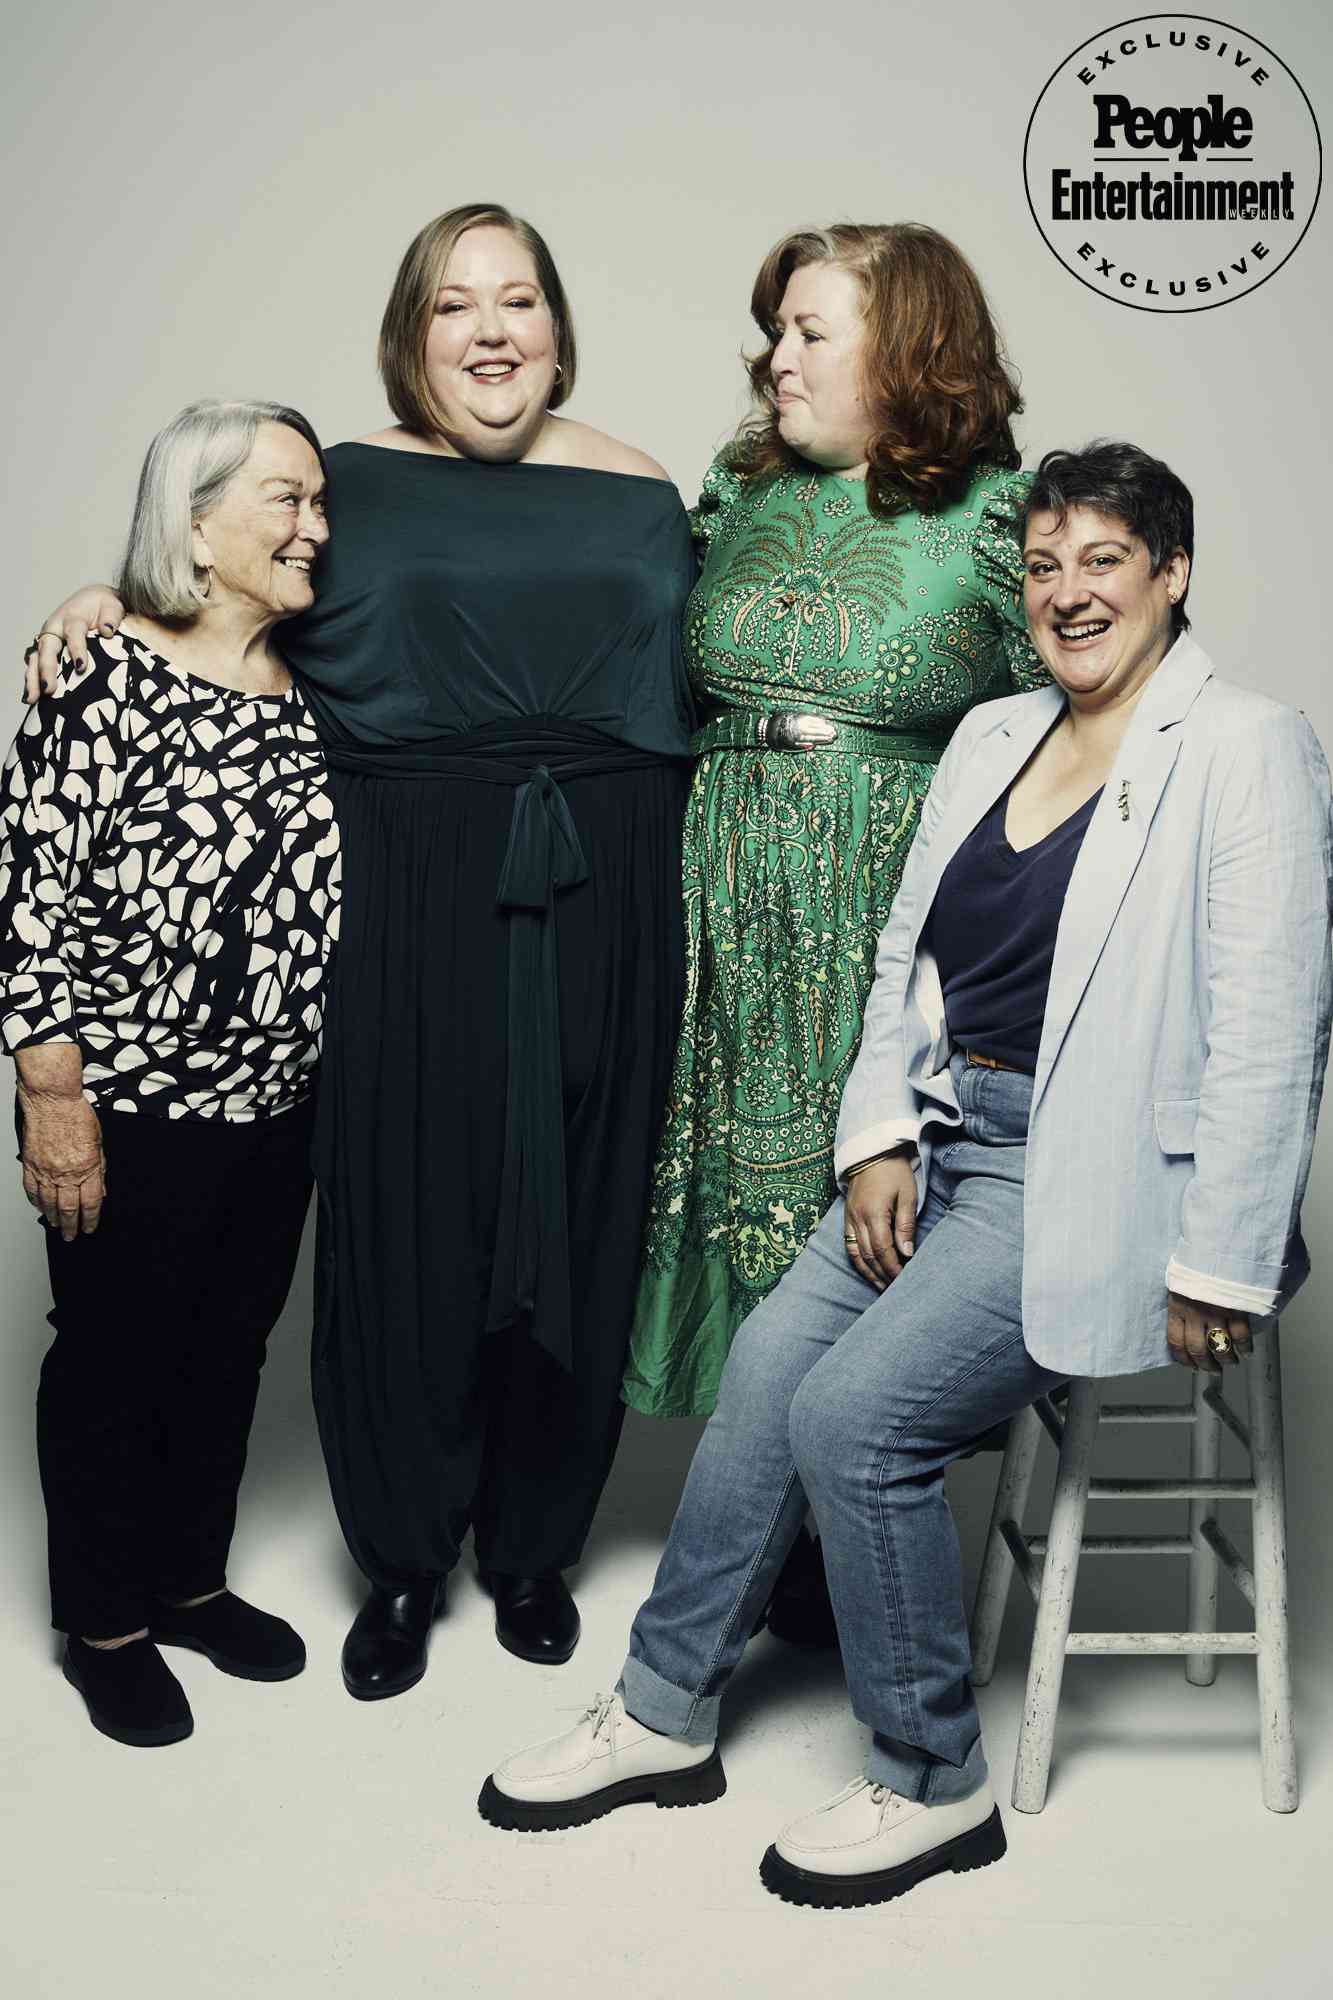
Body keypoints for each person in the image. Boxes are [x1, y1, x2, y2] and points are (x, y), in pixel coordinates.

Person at [480, 441, 1332, 1908]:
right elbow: (907, 965)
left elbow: (1274, 1019)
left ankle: (932, 1776)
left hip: (1094, 1176)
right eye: (1044, 563)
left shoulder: (1242, 744)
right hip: (942, 1144)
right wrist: (876, 1134)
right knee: (761, 1375)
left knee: (854, 1420)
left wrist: (1222, 1258)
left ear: (1171, 577)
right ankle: (663, 1709)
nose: (1066, 594)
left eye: (1102, 564)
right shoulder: (997, 733)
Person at [27, 204, 695, 1697]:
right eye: (454, 304)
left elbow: (714, 674)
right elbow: (220, 586)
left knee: (576, 1217)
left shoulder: (649, 490)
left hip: (608, 889)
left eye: (517, 297)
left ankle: (532, 1546)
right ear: (411, 337)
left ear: (556, 324)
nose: (490, 328)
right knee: (407, 1224)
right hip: (409, 891)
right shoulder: (353, 487)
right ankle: (402, 1560)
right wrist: (102, 600)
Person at [626, 220, 1050, 1644]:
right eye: (776, 330)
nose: (774, 357)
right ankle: (758, 1536)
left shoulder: (1003, 516)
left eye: (810, 331)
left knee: (859, 1196)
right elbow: (576, 601)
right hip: (719, 892)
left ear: (908, 350)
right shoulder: (732, 489)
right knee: (740, 1190)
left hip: (891, 914)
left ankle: (834, 1543)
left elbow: (1114, 710)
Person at [3, 400, 338, 1746]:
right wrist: (51, 1099)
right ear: (197, 522)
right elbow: (26, 899)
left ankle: (188, 1582)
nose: (315, 526)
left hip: (281, 1102)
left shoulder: (322, 674)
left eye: (321, 502)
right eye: (285, 500)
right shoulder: (99, 673)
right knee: (113, 1359)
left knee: (225, 1351)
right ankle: (102, 1622)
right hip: (128, 1105)